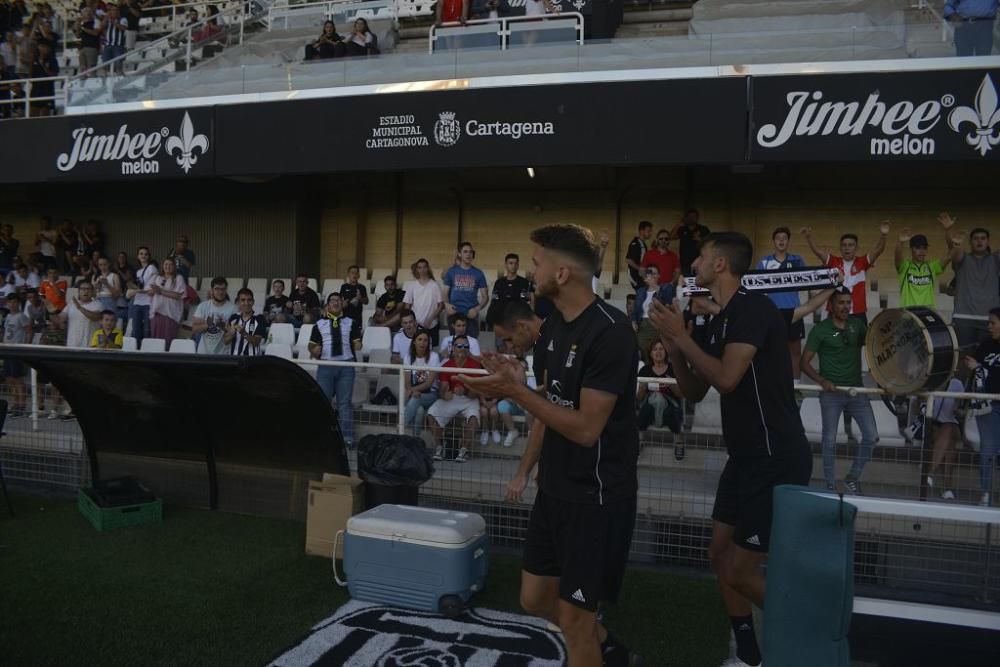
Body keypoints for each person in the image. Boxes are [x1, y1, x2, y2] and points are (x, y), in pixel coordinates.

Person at [461, 224, 641, 667]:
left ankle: (595, 644)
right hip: (555, 490)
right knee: (535, 597)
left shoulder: (612, 332)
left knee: (575, 624)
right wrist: (516, 379)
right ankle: (609, 649)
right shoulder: (553, 328)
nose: (531, 270)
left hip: (595, 498)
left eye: (538, 263)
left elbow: (585, 429)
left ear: (562, 274)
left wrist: (516, 394)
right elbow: (550, 404)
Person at [649, 231, 812, 667]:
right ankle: (749, 654)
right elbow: (694, 391)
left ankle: (812, 633)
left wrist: (681, 339)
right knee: (719, 556)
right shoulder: (720, 319)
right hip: (744, 459)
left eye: (701, 256)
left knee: (740, 570)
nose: (695, 264)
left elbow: (727, 378)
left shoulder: (754, 310)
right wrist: (674, 343)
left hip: (775, 457)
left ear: (720, 264)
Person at [800, 287, 877, 495]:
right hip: (831, 394)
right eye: (841, 303)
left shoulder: (858, 325)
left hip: (856, 391)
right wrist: (821, 380)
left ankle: (852, 478)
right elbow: (804, 363)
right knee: (830, 440)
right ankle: (830, 485)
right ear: (831, 306)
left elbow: (875, 346)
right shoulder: (820, 329)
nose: (845, 307)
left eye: (848, 302)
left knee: (871, 435)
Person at [801, 222, 889, 322]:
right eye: (844, 245)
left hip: (857, 312)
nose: (847, 248)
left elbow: (878, 251)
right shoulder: (834, 261)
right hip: (835, 311)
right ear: (840, 248)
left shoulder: (862, 262)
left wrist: (884, 235)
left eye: (851, 245)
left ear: (856, 248)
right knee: (832, 337)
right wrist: (808, 238)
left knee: (860, 338)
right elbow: (818, 252)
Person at [309, 292, 361, 449]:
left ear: (342, 303)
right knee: (324, 402)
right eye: (332, 300)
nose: (336, 302)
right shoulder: (318, 324)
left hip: (346, 366)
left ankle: (347, 437)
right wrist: (314, 350)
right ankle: (323, 434)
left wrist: (358, 345)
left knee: (344, 403)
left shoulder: (352, 322)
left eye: (338, 300)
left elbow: (357, 343)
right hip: (325, 365)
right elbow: (311, 345)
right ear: (327, 305)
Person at [939, 212, 1000, 348]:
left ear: (988, 242)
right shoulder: (963, 259)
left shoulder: (995, 260)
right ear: (970, 242)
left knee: (987, 360)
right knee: (962, 360)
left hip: (989, 320)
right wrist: (949, 233)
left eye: (983, 238)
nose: (979, 241)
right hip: (963, 318)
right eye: (975, 238)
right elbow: (954, 252)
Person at [758, 227, 807, 379]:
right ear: (773, 241)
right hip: (773, 313)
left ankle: (795, 388)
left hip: (794, 312)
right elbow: (757, 289)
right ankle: (774, 385)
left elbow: (809, 280)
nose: (781, 240)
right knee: (772, 351)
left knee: (795, 352)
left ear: (788, 241)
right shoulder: (764, 263)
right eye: (778, 237)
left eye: (784, 238)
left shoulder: (797, 260)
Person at [426, 334, 482, 463]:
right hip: (451, 398)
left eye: (465, 346)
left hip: (469, 399)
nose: (462, 349)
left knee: (473, 419)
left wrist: (466, 391)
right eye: (459, 346)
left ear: (468, 348)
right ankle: (439, 447)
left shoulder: (475, 366)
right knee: (431, 413)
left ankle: (463, 451)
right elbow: (442, 389)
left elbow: (476, 393)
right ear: (453, 348)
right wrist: (444, 394)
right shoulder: (447, 365)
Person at [965, 306, 1000, 507]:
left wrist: (981, 368)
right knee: (988, 449)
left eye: (993, 323)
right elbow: (975, 376)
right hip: (987, 406)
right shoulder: (985, 346)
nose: (989, 327)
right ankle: (986, 494)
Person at [637, 339, 685, 459]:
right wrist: (643, 387)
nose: (658, 352)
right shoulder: (645, 370)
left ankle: (679, 443)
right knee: (645, 410)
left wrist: (671, 384)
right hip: (650, 405)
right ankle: (638, 441)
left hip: (670, 405)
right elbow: (639, 398)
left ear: (666, 352)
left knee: (672, 413)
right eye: (655, 349)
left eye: (661, 349)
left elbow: (681, 395)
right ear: (650, 353)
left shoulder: (673, 369)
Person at [924, 377, 965, 501]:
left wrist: (958, 410)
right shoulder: (929, 379)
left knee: (948, 429)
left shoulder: (957, 383)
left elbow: (962, 410)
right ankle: (947, 488)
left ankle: (930, 473)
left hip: (952, 424)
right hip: (933, 424)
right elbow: (917, 406)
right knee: (949, 445)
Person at [895, 229, 951, 308]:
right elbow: (897, 257)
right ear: (911, 249)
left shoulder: (932, 266)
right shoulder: (905, 266)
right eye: (918, 247)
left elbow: (951, 254)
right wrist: (900, 242)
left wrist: (947, 230)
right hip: (908, 313)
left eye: (924, 248)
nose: (922, 251)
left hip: (928, 313)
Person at [443, 241, 489, 338]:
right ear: (459, 254)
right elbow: (445, 293)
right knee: (455, 345)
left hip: (471, 315)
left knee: (471, 345)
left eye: (470, 252)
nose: (468, 254)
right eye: (465, 252)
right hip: (454, 315)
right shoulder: (451, 272)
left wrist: (477, 309)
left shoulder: (478, 273)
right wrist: (447, 305)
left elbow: (485, 297)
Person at [632, 265, 674, 365]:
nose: (652, 276)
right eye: (649, 274)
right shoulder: (641, 291)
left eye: (654, 274)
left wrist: (655, 286)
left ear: (659, 276)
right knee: (642, 352)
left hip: (657, 324)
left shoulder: (666, 288)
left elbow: (668, 303)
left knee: (657, 353)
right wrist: (633, 321)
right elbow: (635, 311)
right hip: (642, 326)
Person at [402, 329, 440, 435]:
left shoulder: (434, 357)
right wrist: (412, 391)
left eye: (425, 340)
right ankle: (416, 441)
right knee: (419, 411)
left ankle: (400, 429)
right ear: (414, 341)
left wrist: (413, 391)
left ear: (428, 343)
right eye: (419, 339)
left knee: (415, 399)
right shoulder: (408, 357)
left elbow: (429, 383)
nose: (422, 343)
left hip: (431, 394)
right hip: (414, 394)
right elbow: (407, 382)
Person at [402, 258, 444, 346]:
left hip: (432, 324)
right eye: (420, 267)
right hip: (416, 325)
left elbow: (440, 305)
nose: (422, 270)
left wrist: (430, 319)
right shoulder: (412, 285)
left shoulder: (435, 285)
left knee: (432, 349)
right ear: (417, 269)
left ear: (428, 268)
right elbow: (407, 306)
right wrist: (410, 322)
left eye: (424, 267)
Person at [485, 253, 532, 332]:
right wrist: (490, 318)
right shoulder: (499, 283)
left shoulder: (524, 282)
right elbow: (494, 301)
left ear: (518, 265)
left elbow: (524, 301)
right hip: (500, 320)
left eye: (515, 263)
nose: (513, 266)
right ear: (506, 265)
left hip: (517, 321)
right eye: (510, 263)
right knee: (500, 343)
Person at [2, 293, 30, 416]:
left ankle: (22, 405)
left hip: (16, 349)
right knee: (9, 378)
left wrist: (25, 347)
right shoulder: (8, 316)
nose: (12, 305)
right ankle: (15, 403)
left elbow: (28, 331)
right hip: (7, 349)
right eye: (10, 302)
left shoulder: (21, 316)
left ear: (18, 303)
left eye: (14, 302)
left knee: (18, 378)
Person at [192, 277, 236, 354]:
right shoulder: (203, 306)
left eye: (223, 289)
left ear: (226, 290)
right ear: (212, 290)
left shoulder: (233, 309)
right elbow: (194, 329)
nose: (220, 292)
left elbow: (235, 333)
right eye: (217, 289)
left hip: (223, 355)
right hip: (203, 354)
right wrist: (208, 324)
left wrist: (223, 326)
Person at [148, 257, 186, 344]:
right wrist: (150, 290)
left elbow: (178, 295)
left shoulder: (178, 278)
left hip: (170, 316)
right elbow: (150, 293)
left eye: (170, 264)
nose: (168, 266)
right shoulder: (157, 278)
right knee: (155, 344)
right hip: (156, 315)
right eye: (166, 264)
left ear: (174, 267)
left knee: (167, 344)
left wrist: (160, 291)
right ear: (162, 266)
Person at [225, 288, 268, 356]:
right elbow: (225, 341)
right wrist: (231, 334)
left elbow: (257, 342)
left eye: (249, 300)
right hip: (234, 360)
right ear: (238, 302)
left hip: (252, 361)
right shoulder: (234, 317)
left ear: (253, 301)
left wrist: (244, 333)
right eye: (243, 300)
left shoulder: (259, 318)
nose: (246, 303)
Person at [128, 245, 157, 345]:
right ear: (137, 256)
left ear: (149, 256)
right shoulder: (138, 271)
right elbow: (139, 287)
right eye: (141, 254)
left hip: (148, 302)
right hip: (137, 302)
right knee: (136, 329)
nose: (143, 256)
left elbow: (153, 287)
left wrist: (139, 291)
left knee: (147, 330)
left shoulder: (152, 268)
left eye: (146, 254)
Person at [669, 209, 710, 277]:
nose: (692, 218)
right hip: (685, 264)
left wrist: (700, 240)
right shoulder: (682, 229)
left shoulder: (703, 229)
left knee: (700, 284)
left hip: (700, 263)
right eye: (690, 216)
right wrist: (679, 222)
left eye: (694, 216)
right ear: (686, 218)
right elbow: (671, 237)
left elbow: (711, 243)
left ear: (697, 218)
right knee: (686, 284)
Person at [63, 281, 103, 348]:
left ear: (93, 292)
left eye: (88, 289)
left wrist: (79, 307)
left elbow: (95, 317)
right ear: (79, 291)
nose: (85, 291)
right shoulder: (71, 304)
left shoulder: (98, 304)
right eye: (83, 289)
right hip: (72, 345)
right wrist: (50, 309)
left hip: (90, 346)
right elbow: (61, 318)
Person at [625, 220, 653, 290]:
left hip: (640, 276)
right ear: (641, 231)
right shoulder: (636, 243)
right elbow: (628, 260)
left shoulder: (642, 244)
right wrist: (640, 269)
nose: (650, 233)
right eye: (648, 231)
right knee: (642, 293)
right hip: (635, 276)